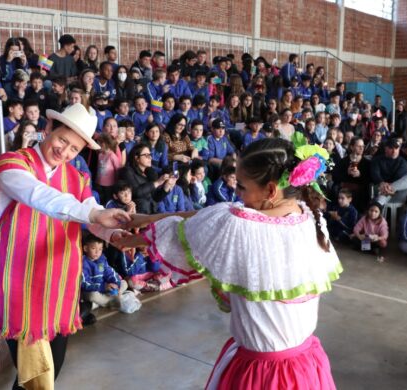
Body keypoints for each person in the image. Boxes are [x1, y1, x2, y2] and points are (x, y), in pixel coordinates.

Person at [115, 138, 341, 389]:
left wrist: (132, 237)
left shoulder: (241, 224)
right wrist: (148, 218)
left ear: (270, 190)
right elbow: (212, 214)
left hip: (262, 374)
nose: (237, 193)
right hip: (306, 365)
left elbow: (205, 220)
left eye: (242, 187)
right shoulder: (308, 215)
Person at [0, 103, 131, 390]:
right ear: (47, 129)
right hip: (19, 287)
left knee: (50, 370)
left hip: (58, 287)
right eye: (62, 140)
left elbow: (90, 214)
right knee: (37, 377)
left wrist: (114, 234)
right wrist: (94, 214)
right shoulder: (13, 165)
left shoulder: (77, 177)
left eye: (74, 149)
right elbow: (40, 196)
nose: (65, 152)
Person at [118, 144, 172, 214]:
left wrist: (167, 186)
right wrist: (157, 182)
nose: (150, 158)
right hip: (137, 212)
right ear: (137, 158)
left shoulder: (151, 172)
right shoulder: (127, 171)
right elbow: (136, 192)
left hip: (152, 211)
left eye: (150, 155)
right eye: (146, 155)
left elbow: (156, 198)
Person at [81, 234, 128, 309]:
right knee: (92, 296)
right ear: (86, 248)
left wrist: (115, 284)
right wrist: (103, 287)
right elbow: (84, 284)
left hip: (105, 288)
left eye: (100, 249)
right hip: (93, 289)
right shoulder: (82, 263)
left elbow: (109, 272)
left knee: (124, 283)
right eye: (94, 248)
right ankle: (109, 301)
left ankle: (106, 300)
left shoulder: (101, 260)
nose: (97, 252)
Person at [370, 138, 407, 205]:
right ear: (385, 148)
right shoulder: (377, 160)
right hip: (380, 189)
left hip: (395, 192)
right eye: (391, 148)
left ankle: (379, 203)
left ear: (399, 149)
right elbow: (375, 174)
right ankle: (377, 206)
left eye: (396, 148)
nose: (394, 151)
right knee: (382, 194)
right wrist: (382, 183)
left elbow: (398, 178)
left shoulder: (403, 161)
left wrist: (388, 187)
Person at [95, 133, 124, 205]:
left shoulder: (112, 155)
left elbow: (118, 169)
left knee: (108, 201)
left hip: (109, 185)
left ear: (104, 144)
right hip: (99, 182)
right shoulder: (100, 154)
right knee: (100, 199)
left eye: (99, 144)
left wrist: (117, 181)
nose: (98, 146)